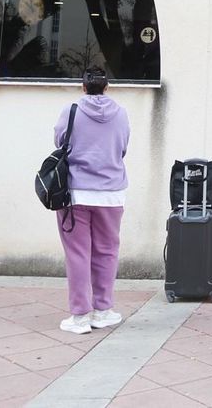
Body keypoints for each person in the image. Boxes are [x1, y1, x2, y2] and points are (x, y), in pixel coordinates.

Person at [53, 67, 130, 334]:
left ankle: (80, 317)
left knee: (78, 253)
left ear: (83, 87)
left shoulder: (71, 110)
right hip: (111, 194)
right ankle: (103, 310)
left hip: (75, 192)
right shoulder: (121, 113)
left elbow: (60, 140)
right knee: (107, 251)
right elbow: (123, 148)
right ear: (107, 87)